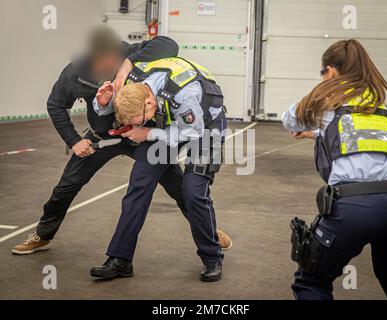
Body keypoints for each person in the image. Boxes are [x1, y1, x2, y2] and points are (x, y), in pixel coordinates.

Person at [11, 26, 231, 255]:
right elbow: (55, 105)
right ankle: (42, 235)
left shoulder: (130, 55)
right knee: (67, 185)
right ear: (92, 56)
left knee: (179, 186)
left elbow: (169, 45)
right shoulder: (75, 74)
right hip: (102, 137)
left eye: (114, 57)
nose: (110, 63)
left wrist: (127, 64)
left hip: (143, 134)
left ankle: (210, 231)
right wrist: (74, 140)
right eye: (104, 59)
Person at [282, 39, 387, 300]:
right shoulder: (380, 102)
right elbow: (361, 143)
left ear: (331, 71)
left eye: (322, 72)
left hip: (352, 209)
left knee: (311, 282)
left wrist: (321, 89)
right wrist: (317, 134)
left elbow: (288, 118)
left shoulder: (327, 99)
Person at [90, 57, 227, 282]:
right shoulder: (131, 87)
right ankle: (120, 259)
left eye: (138, 121)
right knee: (139, 185)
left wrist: (149, 133)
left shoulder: (186, 95)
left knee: (193, 192)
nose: (134, 126)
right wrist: (103, 103)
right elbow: (118, 110)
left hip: (203, 128)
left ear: (150, 104)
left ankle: (212, 257)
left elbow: (192, 132)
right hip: (167, 123)